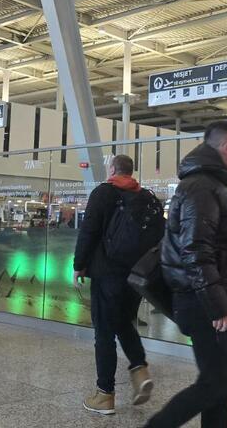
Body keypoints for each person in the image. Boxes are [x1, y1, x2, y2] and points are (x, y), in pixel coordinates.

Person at [144, 120, 227, 428]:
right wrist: (217, 304)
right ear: (226, 147)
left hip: (208, 296)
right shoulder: (202, 187)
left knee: (224, 382)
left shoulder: (209, 184)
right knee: (216, 383)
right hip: (202, 300)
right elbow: (195, 250)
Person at [73, 154, 159, 415]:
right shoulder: (147, 197)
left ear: (112, 169)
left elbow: (89, 230)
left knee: (104, 332)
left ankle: (105, 394)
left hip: (107, 272)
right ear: (131, 171)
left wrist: (79, 264)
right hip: (136, 275)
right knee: (123, 322)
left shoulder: (103, 193)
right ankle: (140, 369)